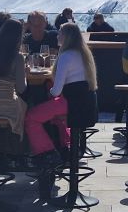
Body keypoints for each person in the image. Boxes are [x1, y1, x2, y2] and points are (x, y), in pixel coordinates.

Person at [23, 22, 98, 167]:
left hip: (73, 104)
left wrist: (48, 92)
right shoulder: (84, 53)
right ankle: (67, 149)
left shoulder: (66, 56)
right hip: (87, 103)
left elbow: (56, 91)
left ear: (66, 37)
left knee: (31, 117)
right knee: (56, 117)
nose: (57, 36)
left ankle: (47, 153)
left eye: (60, 33)